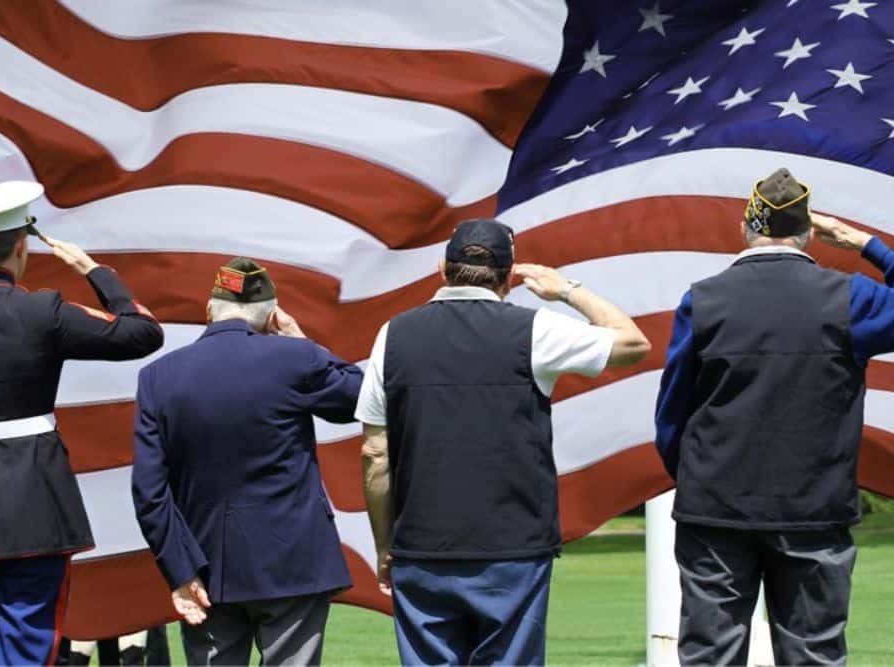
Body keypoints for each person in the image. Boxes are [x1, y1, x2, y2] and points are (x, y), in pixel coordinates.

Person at [357, 218, 651, 666]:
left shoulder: (392, 335)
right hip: (512, 548)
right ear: (510, 275)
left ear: (443, 268)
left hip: (422, 546)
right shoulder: (534, 331)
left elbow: (375, 454)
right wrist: (567, 289)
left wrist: (383, 544)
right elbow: (633, 342)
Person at [0, 180, 164, 665]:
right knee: (26, 649)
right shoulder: (43, 311)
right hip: (34, 511)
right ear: (21, 247)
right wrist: (94, 270)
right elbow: (143, 333)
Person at [654, 167, 894, 665]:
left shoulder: (705, 299)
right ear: (809, 233)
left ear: (746, 227)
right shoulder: (849, 298)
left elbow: (673, 409)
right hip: (814, 506)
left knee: (711, 656)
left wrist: (695, 477)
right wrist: (867, 245)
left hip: (715, 504)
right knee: (813, 654)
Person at [132, 257, 363, 666]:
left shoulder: (158, 377)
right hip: (293, 561)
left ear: (209, 312)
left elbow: (149, 492)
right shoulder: (294, 358)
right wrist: (301, 339)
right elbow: (361, 397)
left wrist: (180, 571)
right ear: (272, 316)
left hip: (206, 567)